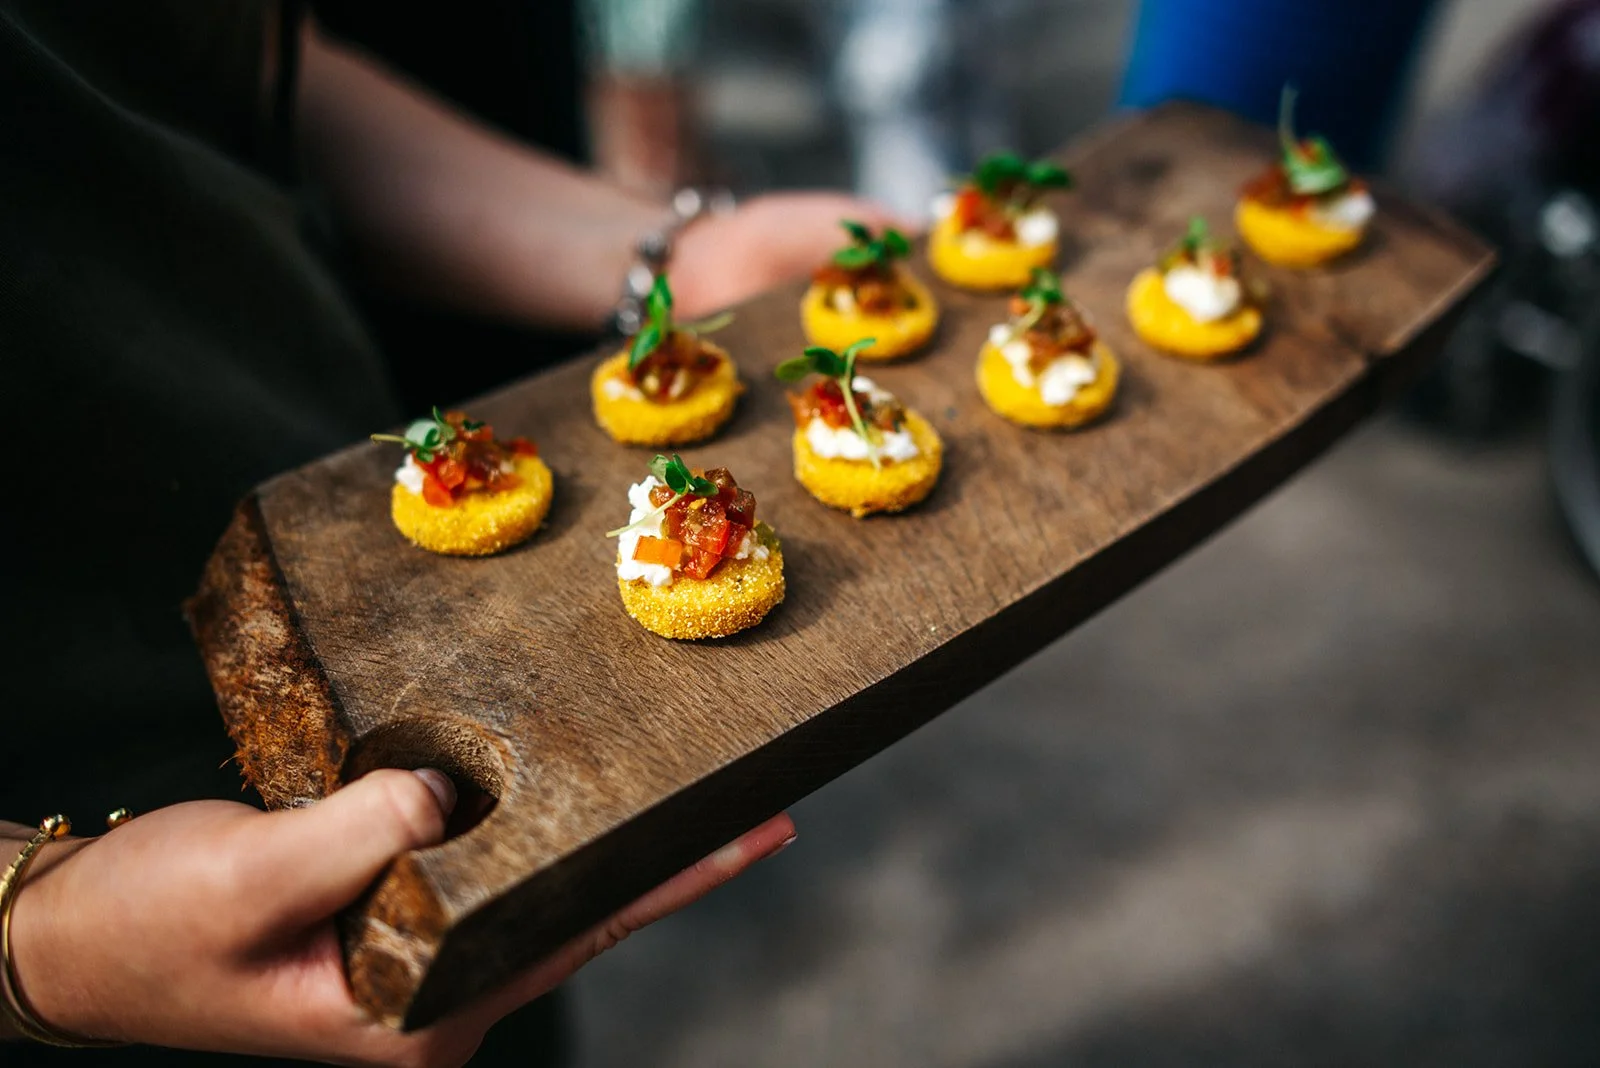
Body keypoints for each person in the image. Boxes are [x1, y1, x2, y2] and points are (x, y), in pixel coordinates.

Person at [0, 1, 898, 1062]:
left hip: (389, 633)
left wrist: (671, 259)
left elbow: (239, 78)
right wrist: (44, 933)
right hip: (95, 820)